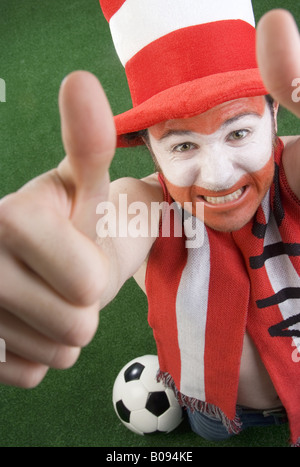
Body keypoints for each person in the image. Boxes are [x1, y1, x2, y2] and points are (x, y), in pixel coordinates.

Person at [0, 0, 299, 445]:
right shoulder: (145, 203)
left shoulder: (291, 168)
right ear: (149, 147)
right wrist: (53, 269)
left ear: (274, 114)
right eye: (182, 146)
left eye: (239, 132)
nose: (218, 177)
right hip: (216, 409)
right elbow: (108, 238)